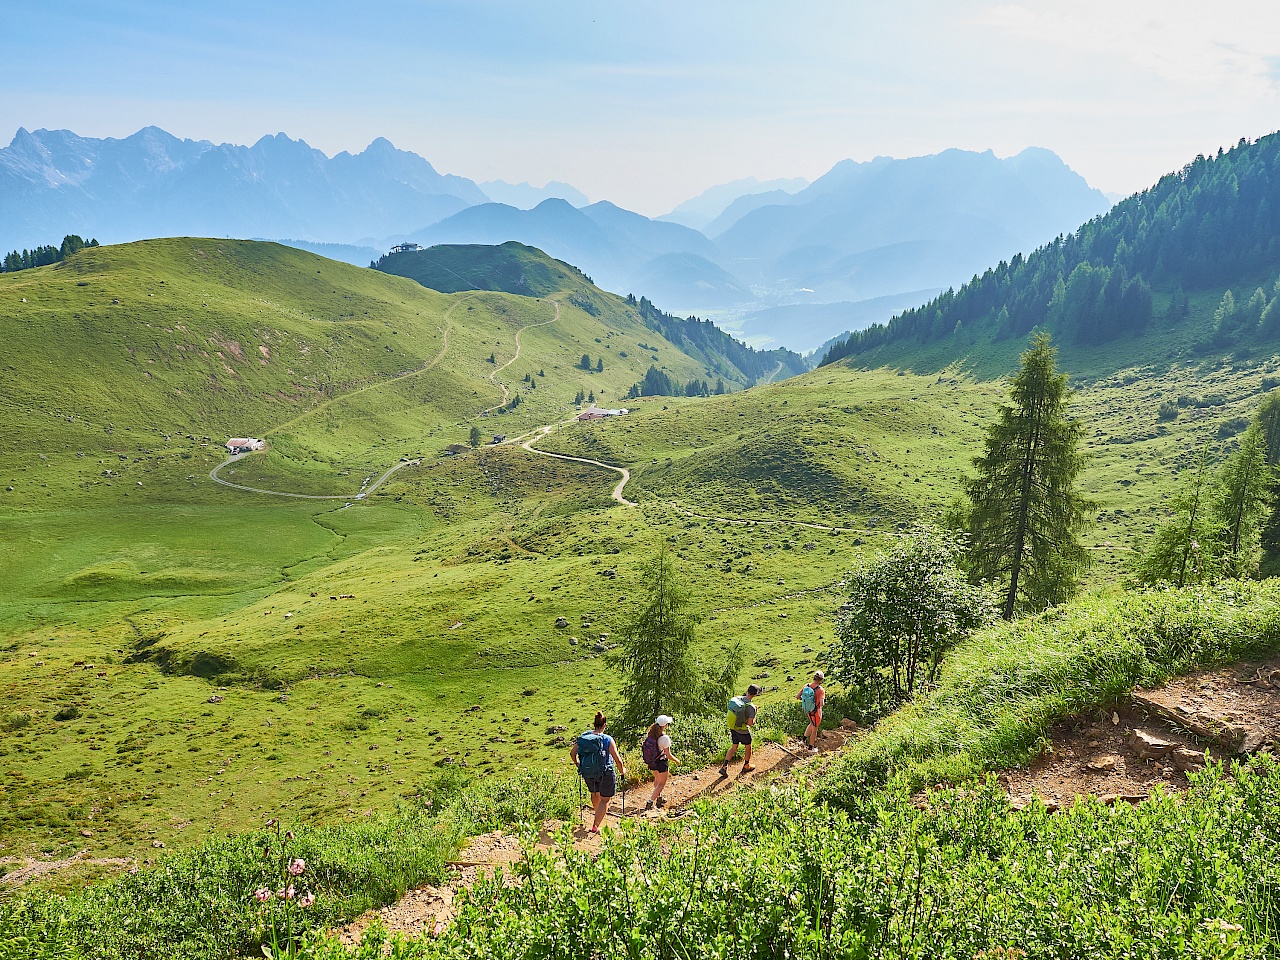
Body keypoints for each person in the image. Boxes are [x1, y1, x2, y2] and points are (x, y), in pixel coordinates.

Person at [569, 711, 626, 834]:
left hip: (588, 772)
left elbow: (572, 753)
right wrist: (622, 771)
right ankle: (595, 826)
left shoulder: (584, 737)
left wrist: (578, 764)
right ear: (604, 725)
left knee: (595, 794)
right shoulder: (607, 739)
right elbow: (617, 759)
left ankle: (597, 814)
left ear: (594, 724)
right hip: (605, 772)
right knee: (605, 800)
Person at [719, 684, 761, 777]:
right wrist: (756, 713)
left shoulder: (737, 699)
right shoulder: (751, 707)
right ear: (755, 694)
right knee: (748, 746)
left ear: (747, 691)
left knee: (734, 747)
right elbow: (750, 723)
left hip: (733, 728)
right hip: (742, 730)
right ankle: (746, 765)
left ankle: (724, 766)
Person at [642, 715, 679, 810]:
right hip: (661, 763)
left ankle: (659, 798)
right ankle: (650, 802)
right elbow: (668, 755)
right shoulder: (665, 738)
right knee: (661, 784)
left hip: (652, 762)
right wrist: (676, 760)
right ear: (665, 725)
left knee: (657, 781)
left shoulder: (649, 734)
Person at [797, 671, 825, 754]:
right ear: (821, 680)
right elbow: (822, 703)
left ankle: (803, 740)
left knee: (811, 723)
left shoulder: (806, 686)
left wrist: (807, 701)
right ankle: (810, 748)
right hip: (816, 711)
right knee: (815, 729)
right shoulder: (821, 690)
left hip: (808, 710)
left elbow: (797, 696)